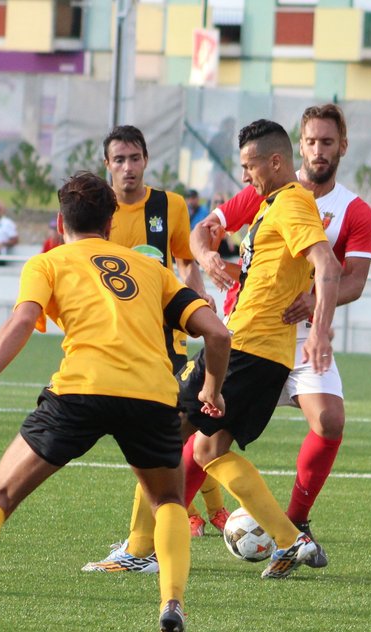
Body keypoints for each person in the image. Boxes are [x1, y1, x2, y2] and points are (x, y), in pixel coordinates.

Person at [0, 171, 231, 632]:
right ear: (110, 223)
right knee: (170, 501)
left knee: (0, 495)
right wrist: (211, 389)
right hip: (151, 394)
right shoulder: (151, 269)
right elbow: (218, 334)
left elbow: (22, 320)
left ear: (59, 220)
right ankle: (171, 606)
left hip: (80, 391)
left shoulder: (48, 262)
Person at [185, 103, 371, 566]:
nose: (318, 150)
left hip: (302, 336)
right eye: (311, 141)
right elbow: (203, 231)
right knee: (200, 438)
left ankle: (295, 523)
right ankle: (161, 526)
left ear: (342, 146)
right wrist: (208, 258)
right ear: (297, 147)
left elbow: (352, 280)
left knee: (328, 421)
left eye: (327, 141)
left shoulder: (353, 210)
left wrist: (317, 306)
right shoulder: (265, 187)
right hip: (252, 331)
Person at [80, 124, 223, 570]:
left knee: (159, 436)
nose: (128, 167)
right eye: (119, 160)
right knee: (167, 436)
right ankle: (192, 521)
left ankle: (143, 548)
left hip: (163, 342)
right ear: (107, 165)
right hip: (111, 342)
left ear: (146, 159)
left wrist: (198, 299)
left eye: (135, 158)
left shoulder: (169, 206)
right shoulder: (95, 212)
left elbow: (184, 260)